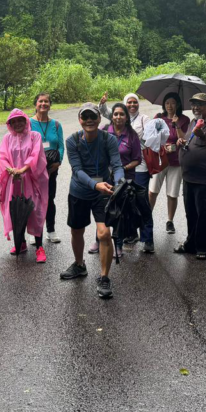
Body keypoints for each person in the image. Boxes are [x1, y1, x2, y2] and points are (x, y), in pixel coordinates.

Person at [60, 103, 124, 299]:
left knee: (104, 233)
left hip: (102, 192)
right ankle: (79, 265)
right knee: (77, 230)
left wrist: (119, 184)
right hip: (80, 191)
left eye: (93, 116)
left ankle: (104, 277)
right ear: (80, 120)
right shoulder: (72, 141)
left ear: (99, 119)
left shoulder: (108, 139)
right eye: (85, 116)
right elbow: (77, 170)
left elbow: (117, 165)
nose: (89, 120)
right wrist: (95, 185)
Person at [174, 92, 206, 260]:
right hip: (188, 177)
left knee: (205, 214)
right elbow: (189, 141)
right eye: (194, 104)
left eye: (200, 104)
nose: (196, 107)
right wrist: (181, 142)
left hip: (205, 179)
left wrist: (203, 136)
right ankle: (191, 244)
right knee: (191, 214)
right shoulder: (193, 122)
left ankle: (204, 248)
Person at [0, 109, 49, 262]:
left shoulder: (34, 136)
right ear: (9, 124)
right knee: (15, 210)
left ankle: (39, 247)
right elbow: (2, 157)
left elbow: (36, 155)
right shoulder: (7, 138)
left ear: (26, 121)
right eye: (13, 121)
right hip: (13, 181)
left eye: (20, 120)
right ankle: (21, 243)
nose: (17, 123)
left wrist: (23, 170)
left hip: (32, 180)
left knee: (35, 211)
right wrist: (11, 170)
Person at [101, 102, 151, 255]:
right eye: (115, 114)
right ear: (112, 116)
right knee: (102, 209)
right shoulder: (104, 131)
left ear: (126, 117)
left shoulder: (132, 135)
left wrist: (122, 169)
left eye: (122, 114)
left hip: (125, 179)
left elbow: (137, 159)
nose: (118, 117)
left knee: (120, 212)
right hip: (105, 177)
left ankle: (118, 245)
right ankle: (100, 240)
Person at [150, 92, 190, 236]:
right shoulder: (158, 118)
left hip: (176, 162)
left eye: (173, 103)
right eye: (167, 103)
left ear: (178, 104)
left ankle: (170, 221)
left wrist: (177, 124)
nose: (170, 106)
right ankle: (147, 217)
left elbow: (184, 139)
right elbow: (150, 136)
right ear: (164, 104)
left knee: (172, 193)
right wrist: (162, 146)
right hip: (160, 159)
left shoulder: (184, 120)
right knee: (152, 190)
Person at [30, 92, 64, 247]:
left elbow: (61, 146)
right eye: (40, 101)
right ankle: (34, 232)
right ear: (36, 104)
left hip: (51, 169)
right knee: (34, 200)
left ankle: (51, 230)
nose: (43, 104)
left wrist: (59, 162)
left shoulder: (56, 125)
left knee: (49, 199)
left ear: (50, 105)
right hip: (33, 169)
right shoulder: (28, 123)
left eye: (46, 102)